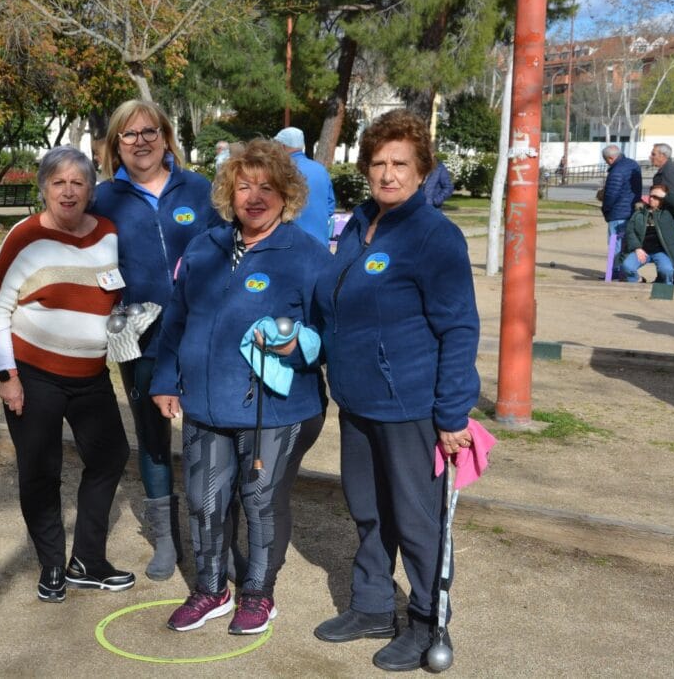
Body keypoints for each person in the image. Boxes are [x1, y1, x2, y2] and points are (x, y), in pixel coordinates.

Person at [312, 109, 480, 672]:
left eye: (400, 164)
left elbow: (459, 327)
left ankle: (429, 622)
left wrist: (453, 413)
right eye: (379, 163)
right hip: (357, 401)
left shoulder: (434, 235)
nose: (388, 174)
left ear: (422, 168)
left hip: (410, 405)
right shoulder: (360, 223)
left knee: (415, 519)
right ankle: (372, 606)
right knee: (367, 510)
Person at [150, 139, 329, 635]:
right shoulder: (204, 245)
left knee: (260, 500)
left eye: (266, 186)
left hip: (275, 409)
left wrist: (300, 347)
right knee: (205, 499)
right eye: (243, 184)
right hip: (205, 402)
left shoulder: (307, 255)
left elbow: (332, 334)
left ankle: (259, 594)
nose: (254, 196)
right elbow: (176, 320)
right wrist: (167, 380)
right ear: (229, 190)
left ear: (286, 194)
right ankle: (210, 590)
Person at [0, 146, 135, 604]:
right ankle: (52, 564)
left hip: (91, 376)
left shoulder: (107, 232)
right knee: (40, 470)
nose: (68, 192)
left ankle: (88, 561)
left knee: (110, 456)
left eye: (78, 183)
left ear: (91, 190)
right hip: (34, 376)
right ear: (44, 188)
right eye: (58, 183)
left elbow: (113, 300)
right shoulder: (25, 236)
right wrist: (6, 375)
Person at [90, 100, 224, 581]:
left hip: (203, 335)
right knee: (151, 438)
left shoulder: (201, 190)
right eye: (128, 135)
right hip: (141, 340)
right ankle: (166, 541)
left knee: (211, 438)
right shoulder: (103, 200)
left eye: (150, 131)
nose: (141, 141)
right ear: (114, 146)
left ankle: (215, 539)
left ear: (166, 137)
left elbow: (228, 252)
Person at [273, 127, 336, 245]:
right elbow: (330, 205)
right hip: (320, 242)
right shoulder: (320, 169)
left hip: (290, 243)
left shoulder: (280, 171)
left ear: (282, 146)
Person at [619, 184, 674, 285]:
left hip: (661, 252)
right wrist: (637, 248)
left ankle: (664, 289)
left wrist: (665, 195)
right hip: (642, 251)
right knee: (627, 266)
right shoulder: (639, 213)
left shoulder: (669, 213)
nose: (651, 198)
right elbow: (631, 231)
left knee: (667, 270)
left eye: (656, 197)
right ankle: (638, 281)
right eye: (651, 196)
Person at [600, 145, 642, 278]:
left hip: (618, 212)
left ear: (611, 158)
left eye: (606, 160)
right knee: (627, 243)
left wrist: (606, 210)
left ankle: (615, 272)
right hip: (631, 210)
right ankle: (624, 271)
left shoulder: (616, 171)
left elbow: (611, 194)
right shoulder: (633, 164)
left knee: (615, 244)